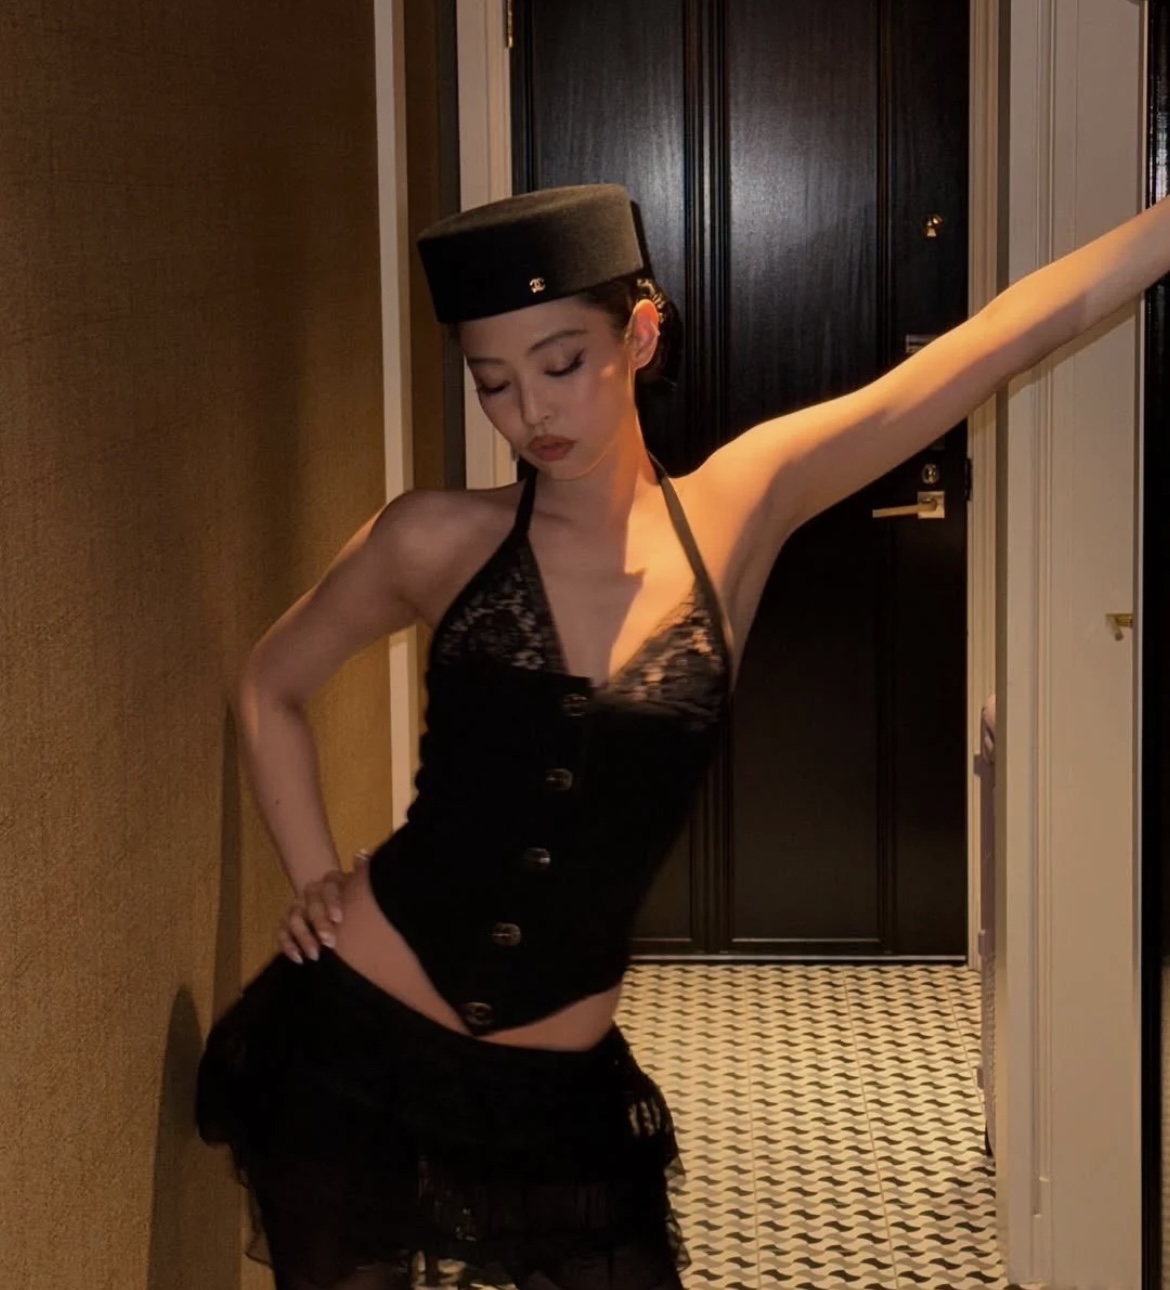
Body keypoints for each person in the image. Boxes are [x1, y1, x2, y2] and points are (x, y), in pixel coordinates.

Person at [197, 183, 1170, 1290]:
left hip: (560, 1100)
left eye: (563, 363)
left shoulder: (736, 510)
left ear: (640, 334)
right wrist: (315, 875)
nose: (532, 412)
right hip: (353, 1042)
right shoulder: (432, 537)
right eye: (494, 383)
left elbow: (996, 340)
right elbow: (271, 685)